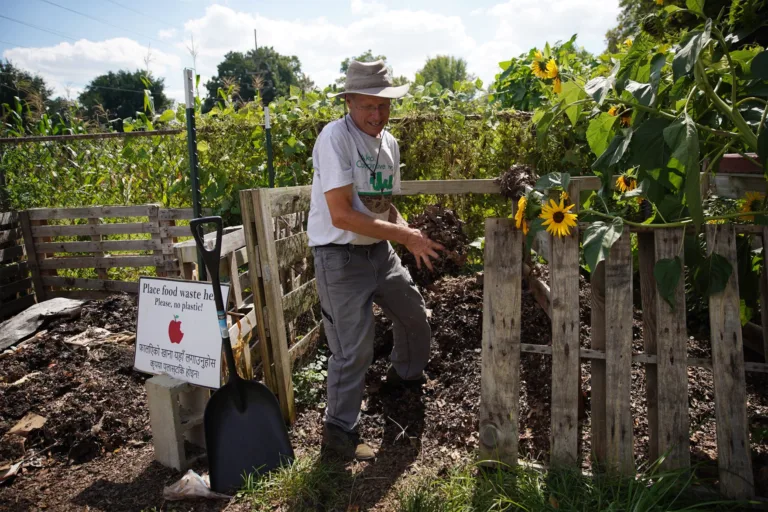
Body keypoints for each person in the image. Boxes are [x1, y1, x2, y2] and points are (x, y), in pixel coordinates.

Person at [307, 60, 443, 460]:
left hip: (379, 253)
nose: (377, 115)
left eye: (384, 106)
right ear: (348, 101)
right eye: (368, 105)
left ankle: (401, 381)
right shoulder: (335, 139)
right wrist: (404, 236)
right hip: (340, 257)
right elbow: (343, 215)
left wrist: (410, 235)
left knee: (414, 315)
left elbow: (381, 208)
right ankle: (340, 435)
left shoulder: (388, 143)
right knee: (353, 350)